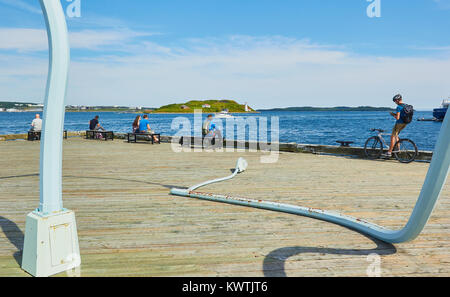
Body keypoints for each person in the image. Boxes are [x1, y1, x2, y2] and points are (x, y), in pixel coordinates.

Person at [382, 94, 409, 158]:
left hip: (399, 123)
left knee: (393, 136)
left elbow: (397, 117)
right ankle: (398, 149)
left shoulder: (399, 107)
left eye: (395, 101)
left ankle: (389, 152)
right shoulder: (406, 106)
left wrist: (392, 114)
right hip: (405, 123)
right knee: (396, 135)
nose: (395, 102)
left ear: (397, 100)